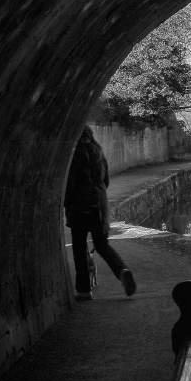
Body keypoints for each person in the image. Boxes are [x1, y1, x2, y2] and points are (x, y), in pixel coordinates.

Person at [64, 125, 136, 301]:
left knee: (79, 247)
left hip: (79, 206)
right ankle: (122, 271)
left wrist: (66, 203)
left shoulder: (73, 156)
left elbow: (70, 185)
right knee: (102, 245)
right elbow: (106, 181)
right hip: (100, 204)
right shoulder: (99, 153)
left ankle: (83, 290)